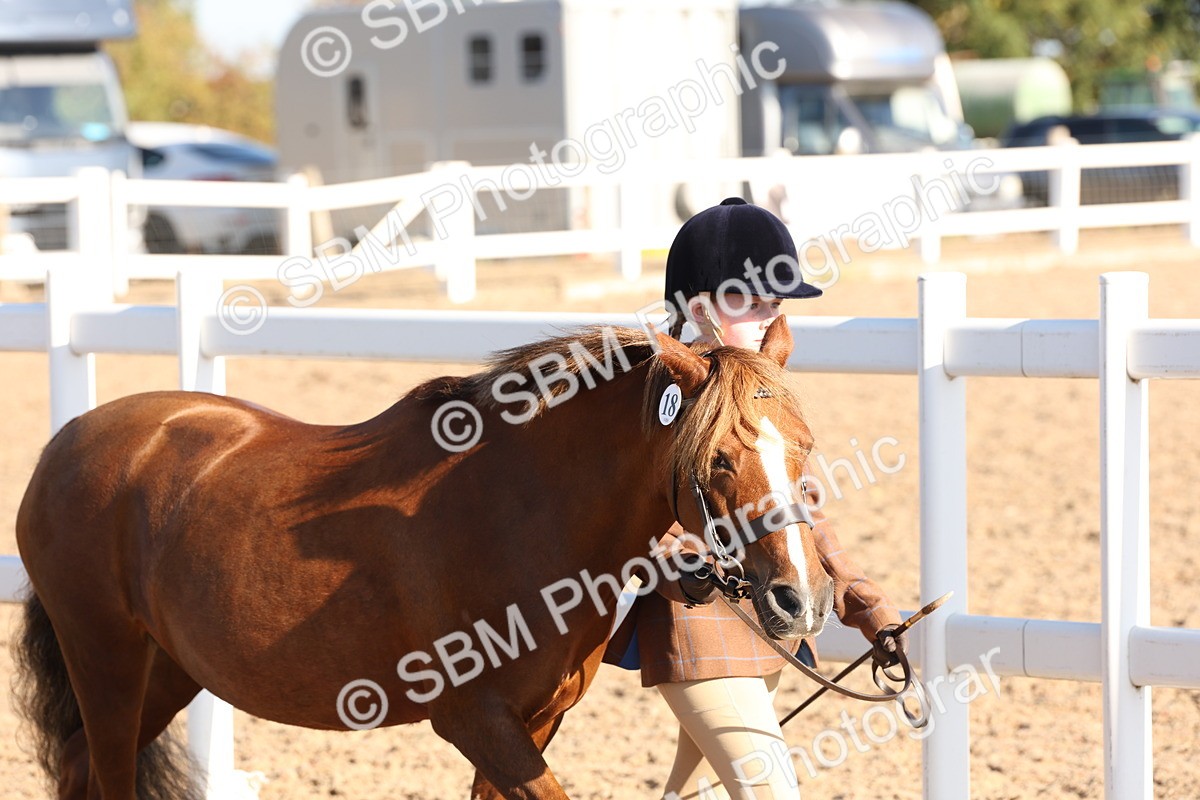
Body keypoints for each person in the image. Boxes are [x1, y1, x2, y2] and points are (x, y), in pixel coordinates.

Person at [603, 198, 906, 800]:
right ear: (699, 309)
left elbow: (799, 510)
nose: (769, 318)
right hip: (696, 630)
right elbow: (642, 517)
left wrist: (861, 601)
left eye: (775, 305)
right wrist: (684, 568)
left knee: (700, 796)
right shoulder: (668, 395)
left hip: (766, 628)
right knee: (772, 792)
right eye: (751, 302)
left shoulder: (761, 391)